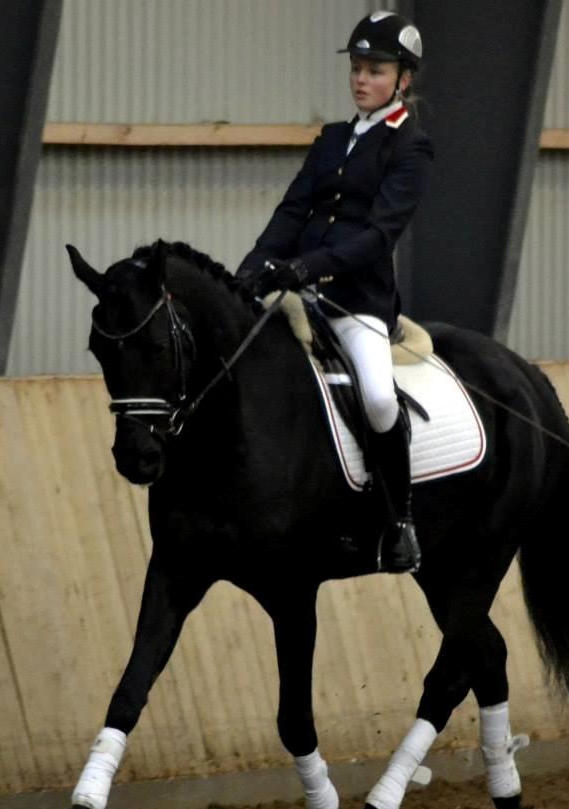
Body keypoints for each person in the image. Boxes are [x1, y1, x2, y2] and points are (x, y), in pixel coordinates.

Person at [237, 11, 433, 574]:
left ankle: (399, 521)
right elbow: (292, 211)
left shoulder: (410, 148)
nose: (361, 80)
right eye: (357, 69)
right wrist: (250, 270)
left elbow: (378, 236)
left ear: (403, 79)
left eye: (375, 71)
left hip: (356, 301)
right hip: (296, 290)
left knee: (377, 398)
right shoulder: (331, 140)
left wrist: (308, 266)